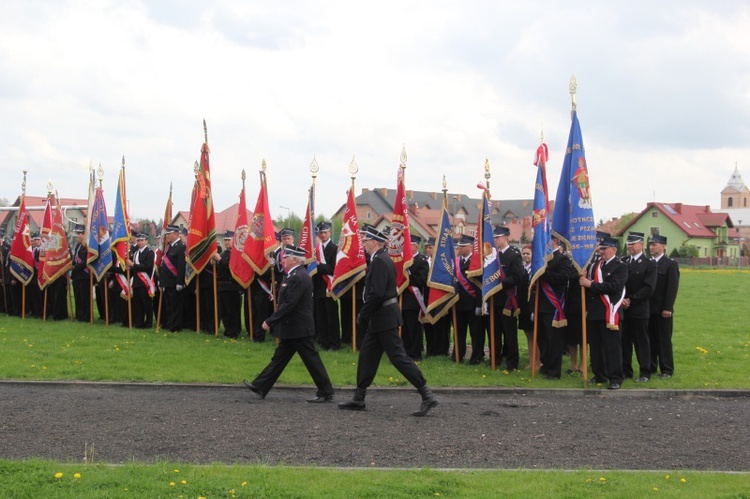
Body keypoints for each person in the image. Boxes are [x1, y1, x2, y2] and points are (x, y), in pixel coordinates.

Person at [339, 225, 438, 417]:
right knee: (367, 356)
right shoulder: (380, 259)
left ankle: (427, 394)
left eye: (366, 241)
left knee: (399, 358)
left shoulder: (380, 261)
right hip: (380, 318)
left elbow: (376, 294)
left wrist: (363, 314)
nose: (364, 244)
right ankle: (359, 397)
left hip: (384, 317)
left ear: (374, 242)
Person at [243, 245, 334, 402]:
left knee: (311, 360)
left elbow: (289, 304)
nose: (283, 260)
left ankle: (326, 391)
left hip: (298, 328)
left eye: (285, 257)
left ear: (294, 259)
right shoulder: (296, 275)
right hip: (293, 328)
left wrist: (270, 321)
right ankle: (260, 386)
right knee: (279, 359)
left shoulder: (299, 277)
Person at [580, 236, 627, 389]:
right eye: (600, 249)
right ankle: (599, 374)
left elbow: (613, 286)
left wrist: (590, 284)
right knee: (595, 347)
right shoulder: (595, 265)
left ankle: (615, 378)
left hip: (610, 312)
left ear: (613, 249)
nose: (601, 252)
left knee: (612, 347)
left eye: (604, 249)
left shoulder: (620, 266)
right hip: (594, 312)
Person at [534, 235, 573, 379]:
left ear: (554, 241)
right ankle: (546, 365)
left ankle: (554, 371)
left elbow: (562, 278)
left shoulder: (562, 259)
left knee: (553, 340)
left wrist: (543, 272)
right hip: (540, 304)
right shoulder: (541, 258)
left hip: (554, 305)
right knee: (542, 338)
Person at [621, 232, 657, 382]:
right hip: (622, 309)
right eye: (628, 244)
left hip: (639, 309)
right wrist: (621, 300)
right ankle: (625, 370)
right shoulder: (623, 262)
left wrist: (631, 300)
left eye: (633, 244)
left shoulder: (649, 264)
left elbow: (648, 288)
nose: (630, 247)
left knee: (641, 343)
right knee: (624, 342)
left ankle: (645, 372)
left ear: (641, 245)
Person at [492, 226, 524, 371]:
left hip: (508, 300)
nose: (495, 240)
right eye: (495, 238)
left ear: (506, 237)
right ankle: (496, 359)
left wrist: (500, 284)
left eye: (498, 238)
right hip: (496, 299)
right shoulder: (494, 255)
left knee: (510, 334)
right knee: (496, 331)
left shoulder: (514, 254)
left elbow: (517, 277)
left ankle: (512, 362)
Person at [647, 234, 680, 378]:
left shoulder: (670, 264)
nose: (652, 247)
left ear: (663, 246)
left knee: (663, 340)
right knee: (650, 339)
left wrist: (668, 307)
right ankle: (651, 366)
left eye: (655, 244)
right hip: (648, 308)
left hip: (662, 309)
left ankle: (666, 369)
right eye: (650, 244)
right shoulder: (648, 263)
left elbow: (672, 288)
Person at [451, 234, 482, 364]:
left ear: (471, 246)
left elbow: (480, 286)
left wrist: (479, 304)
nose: (460, 249)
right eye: (459, 246)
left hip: (472, 303)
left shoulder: (476, 262)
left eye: (463, 246)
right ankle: (457, 355)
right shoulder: (456, 262)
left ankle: (476, 357)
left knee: (476, 333)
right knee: (459, 331)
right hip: (458, 303)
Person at [312, 221, 340, 350]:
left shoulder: (335, 248)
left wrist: (318, 265)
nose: (322, 235)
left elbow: (332, 269)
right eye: (320, 233)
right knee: (320, 317)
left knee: (331, 317)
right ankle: (323, 341)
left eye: (325, 232)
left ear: (330, 232)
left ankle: (334, 343)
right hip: (318, 287)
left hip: (329, 287)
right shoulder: (315, 249)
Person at [401, 234, 429, 360]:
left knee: (414, 329)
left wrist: (408, 275)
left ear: (416, 246)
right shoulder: (402, 261)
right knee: (404, 329)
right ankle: (405, 352)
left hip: (414, 300)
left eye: (409, 244)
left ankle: (415, 353)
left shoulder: (421, 261)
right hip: (402, 299)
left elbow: (422, 281)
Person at [159, 224, 186, 332]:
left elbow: (181, 266)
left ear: (175, 234)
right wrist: (162, 281)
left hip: (175, 282)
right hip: (167, 282)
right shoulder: (168, 248)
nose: (167, 236)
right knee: (169, 305)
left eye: (169, 234)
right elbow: (163, 266)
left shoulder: (181, 247)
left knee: (176, 306)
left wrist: (180, 282)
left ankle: (176, 326)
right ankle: (170, 324)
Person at [215, 231, 242, 338]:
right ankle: (227, 330)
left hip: (232, 285)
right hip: (222, 286)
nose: (226, 242)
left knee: (232, 311)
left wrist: (219, 260)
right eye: (225, 240)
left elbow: (230, 267)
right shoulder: (225, 253)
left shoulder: (236, 253)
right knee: (224, 310)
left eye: (228, 240)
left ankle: (233, 331)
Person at [127, 233, 155, 329]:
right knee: (137, 304)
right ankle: (139, 322)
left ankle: (148, 322)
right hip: (136, 282)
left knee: (146, 304)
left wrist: (133, 265)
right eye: (138, 240)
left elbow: (147, 266)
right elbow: (133, 268)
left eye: (141, 240)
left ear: (146, 241)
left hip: (145, 282)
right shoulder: (135, 253)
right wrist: (129, 267)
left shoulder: (150, 252)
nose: (139, 242)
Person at [518, 244, 536, 368]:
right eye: (523, 253)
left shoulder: (534, 270)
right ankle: (531, 360)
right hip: (524, 306)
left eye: (528, 253)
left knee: (535, 336)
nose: (525, 256)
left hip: (532, 306)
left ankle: (538, 361)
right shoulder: (523, 269)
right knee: (528, 335)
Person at [70, 224, 91, 322]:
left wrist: (75, 267)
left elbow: (85, 261)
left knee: (84, 298)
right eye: (77, 233)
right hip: (76, 275)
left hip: (84, 275)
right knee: (77, 297)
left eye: (80, 233)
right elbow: (75, 259)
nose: (78, 235)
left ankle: (86, 316)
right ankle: (79, 315)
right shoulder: (77, 245)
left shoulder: (87, 246)